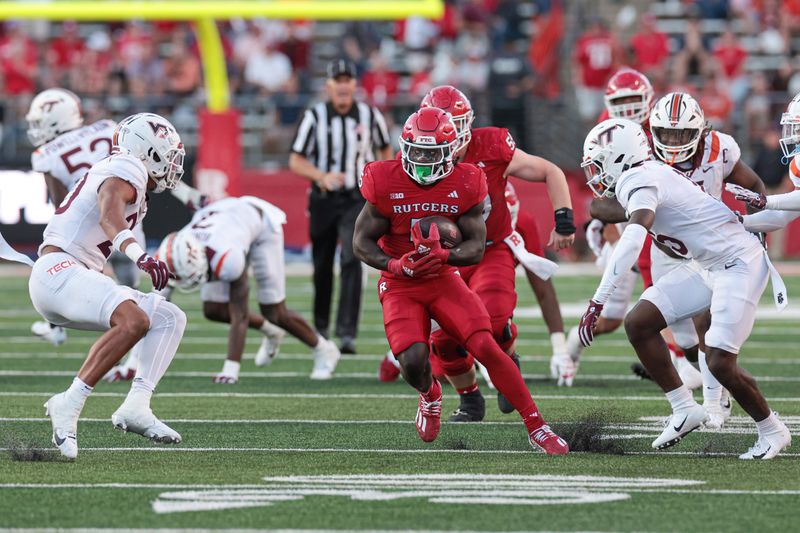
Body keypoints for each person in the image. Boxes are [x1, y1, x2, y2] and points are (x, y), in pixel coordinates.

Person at [353, 107, 568, 454]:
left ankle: (537, 425)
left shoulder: (467, 180)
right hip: (400, 283)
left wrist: (444, 257)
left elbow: (476, 247)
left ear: (450, 152)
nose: (422, 161)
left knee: (485, 345)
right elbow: (360, 242)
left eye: (431, 153)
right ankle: (431, 394)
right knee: (411, 360)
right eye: (417, 151)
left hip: (443, 277)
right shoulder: (384, 179)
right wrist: (395, 265)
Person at [579, 118, 791, 459]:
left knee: (720, 362)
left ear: (618, 158)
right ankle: (684, 408)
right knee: (639, 323)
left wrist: (597, 301)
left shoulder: (641, 179)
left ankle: (772, 430)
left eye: (598, 162)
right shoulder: (644, 174)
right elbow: (606, 207)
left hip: (738, 264)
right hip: (709, 265)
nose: (595, 172)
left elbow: (632, 240)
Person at [28, 113, 188, 459]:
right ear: (148, 150)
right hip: (59, 272)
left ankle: (137, 406)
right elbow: (108, 217)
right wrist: (141, 257)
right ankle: (68, 404)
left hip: (71, 275)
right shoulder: (128, 167)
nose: (174, 160)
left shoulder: (130, 176)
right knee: (135, 321)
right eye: (169, 151)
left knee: (169, 317)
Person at [147, 196, 341, 383]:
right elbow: (153, 310)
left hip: (260, 225)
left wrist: (231, 369)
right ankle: (272, 331)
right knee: (214, 310)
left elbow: (240, 314)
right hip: (225, 223)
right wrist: (133, 365)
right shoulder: (170, 255)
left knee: (274, 312)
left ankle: (324, 349)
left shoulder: (227, 259)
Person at [289, 59, 393, 354]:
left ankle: (346, 332)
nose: (344, 85)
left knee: (352, 258)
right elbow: (295, 160)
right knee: (322, 264)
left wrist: (378, 175)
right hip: (323, 197)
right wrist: (320, 175)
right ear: (329, 86)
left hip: (356, 198)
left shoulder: (369, 115)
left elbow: (385, 149)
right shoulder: (315, 116)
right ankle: (321, 330)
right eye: (339, 80)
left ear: (354, 85)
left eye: (349, 79)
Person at [567, 68, 658, 386]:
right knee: (610, 321)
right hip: (620, 220)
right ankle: (570, 350)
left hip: (651, 218)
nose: (630, 107)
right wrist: (612, 231)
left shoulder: (660, 125)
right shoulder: (607, 128)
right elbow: (600, 188)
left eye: (636, 99)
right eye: (623, 100)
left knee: (662, 295)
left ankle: (679, 363)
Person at [505, 182, 568, 379]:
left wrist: (560, 348)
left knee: (499, 311)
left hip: (494, 297)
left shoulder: (522, 223)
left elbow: (543, 287)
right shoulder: (460, 221)